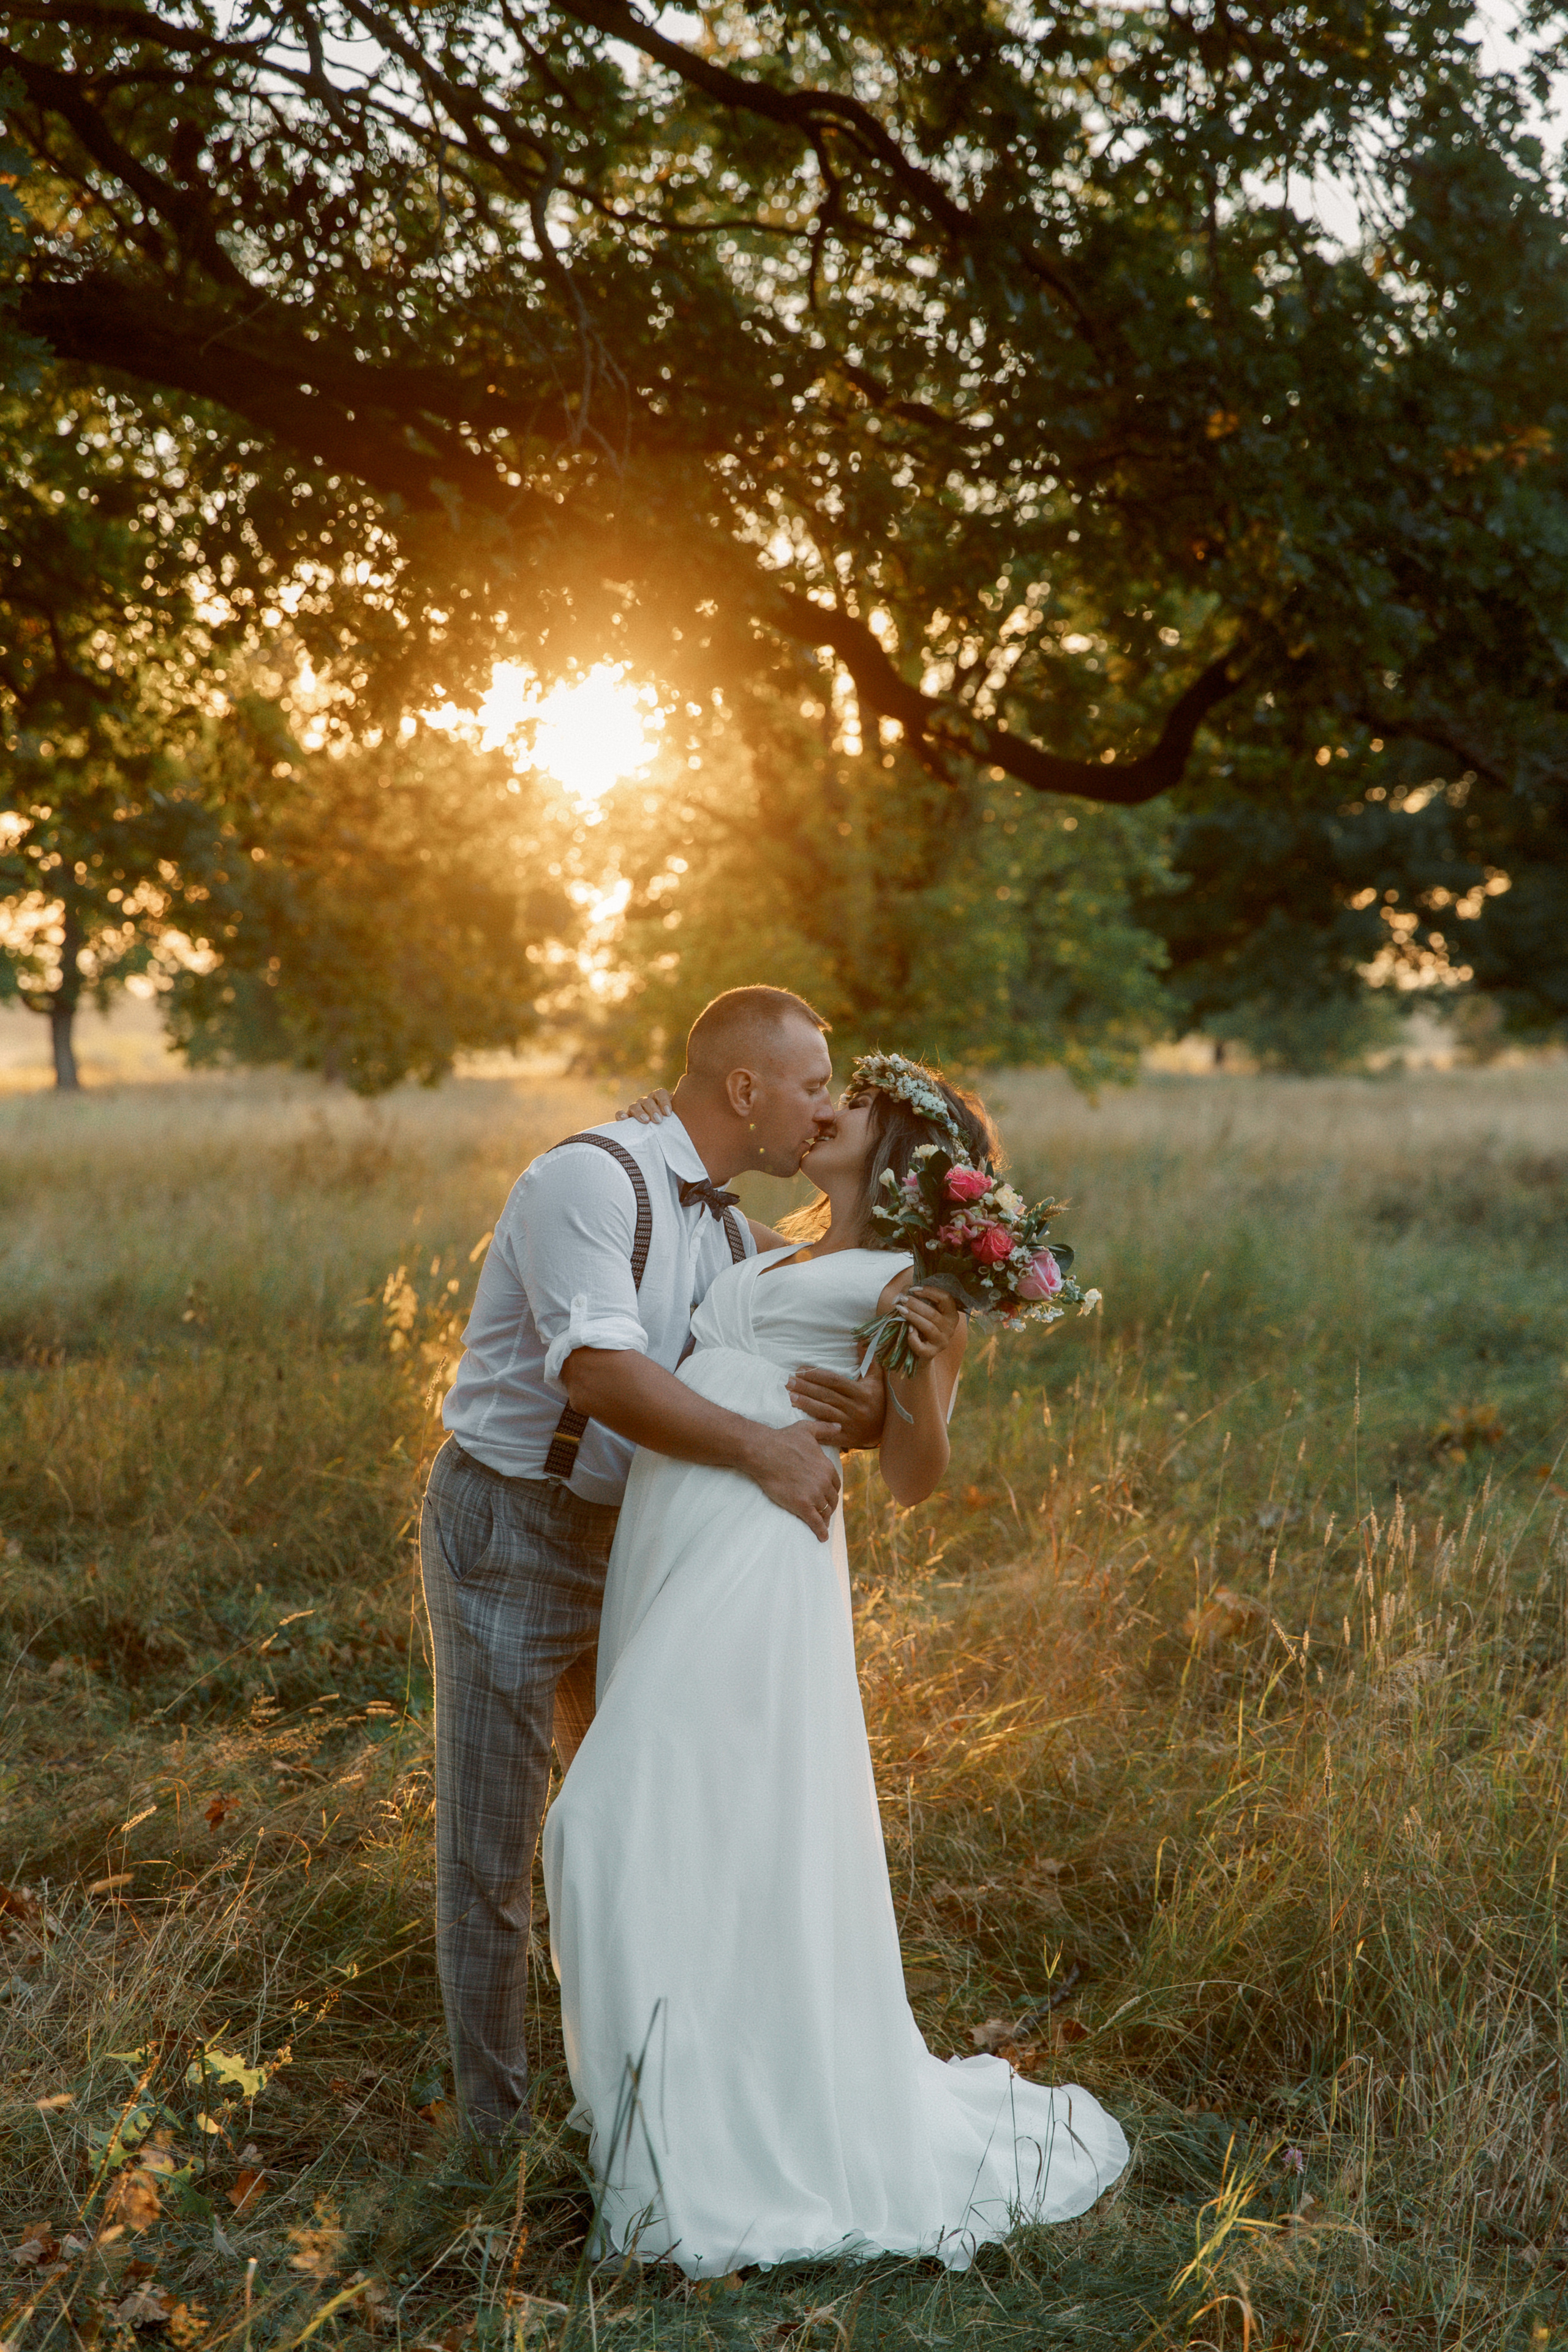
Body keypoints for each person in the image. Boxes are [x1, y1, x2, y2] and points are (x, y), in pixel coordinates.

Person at [543, 1055, 1129, 2275]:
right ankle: (668, 2109)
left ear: (899, 1147)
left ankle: (709, 2147)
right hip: (675, 1526)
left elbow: (915, 1480)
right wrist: (664, 1134)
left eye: (847, 1104)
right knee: (705, 1825)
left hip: (758, 1551)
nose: (822, 1113)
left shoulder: (915, 1286)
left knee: (606, 1818)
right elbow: (695, 1206)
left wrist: (908, 1392)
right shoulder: (778, 1244)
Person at [420, 987, 886, 2149]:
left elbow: (788, 1351)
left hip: (640, 1547)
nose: (825, 1105)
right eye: (814, 1083)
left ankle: (639, 2103)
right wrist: (766, 1457)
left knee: (631, 1829)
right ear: (746, 1090)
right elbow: (603, 1379)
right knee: (497, 1847)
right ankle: (495, 2142)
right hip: (513, 1535)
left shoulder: (735, 1233)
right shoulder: (591, 1179)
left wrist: (879, 1408)